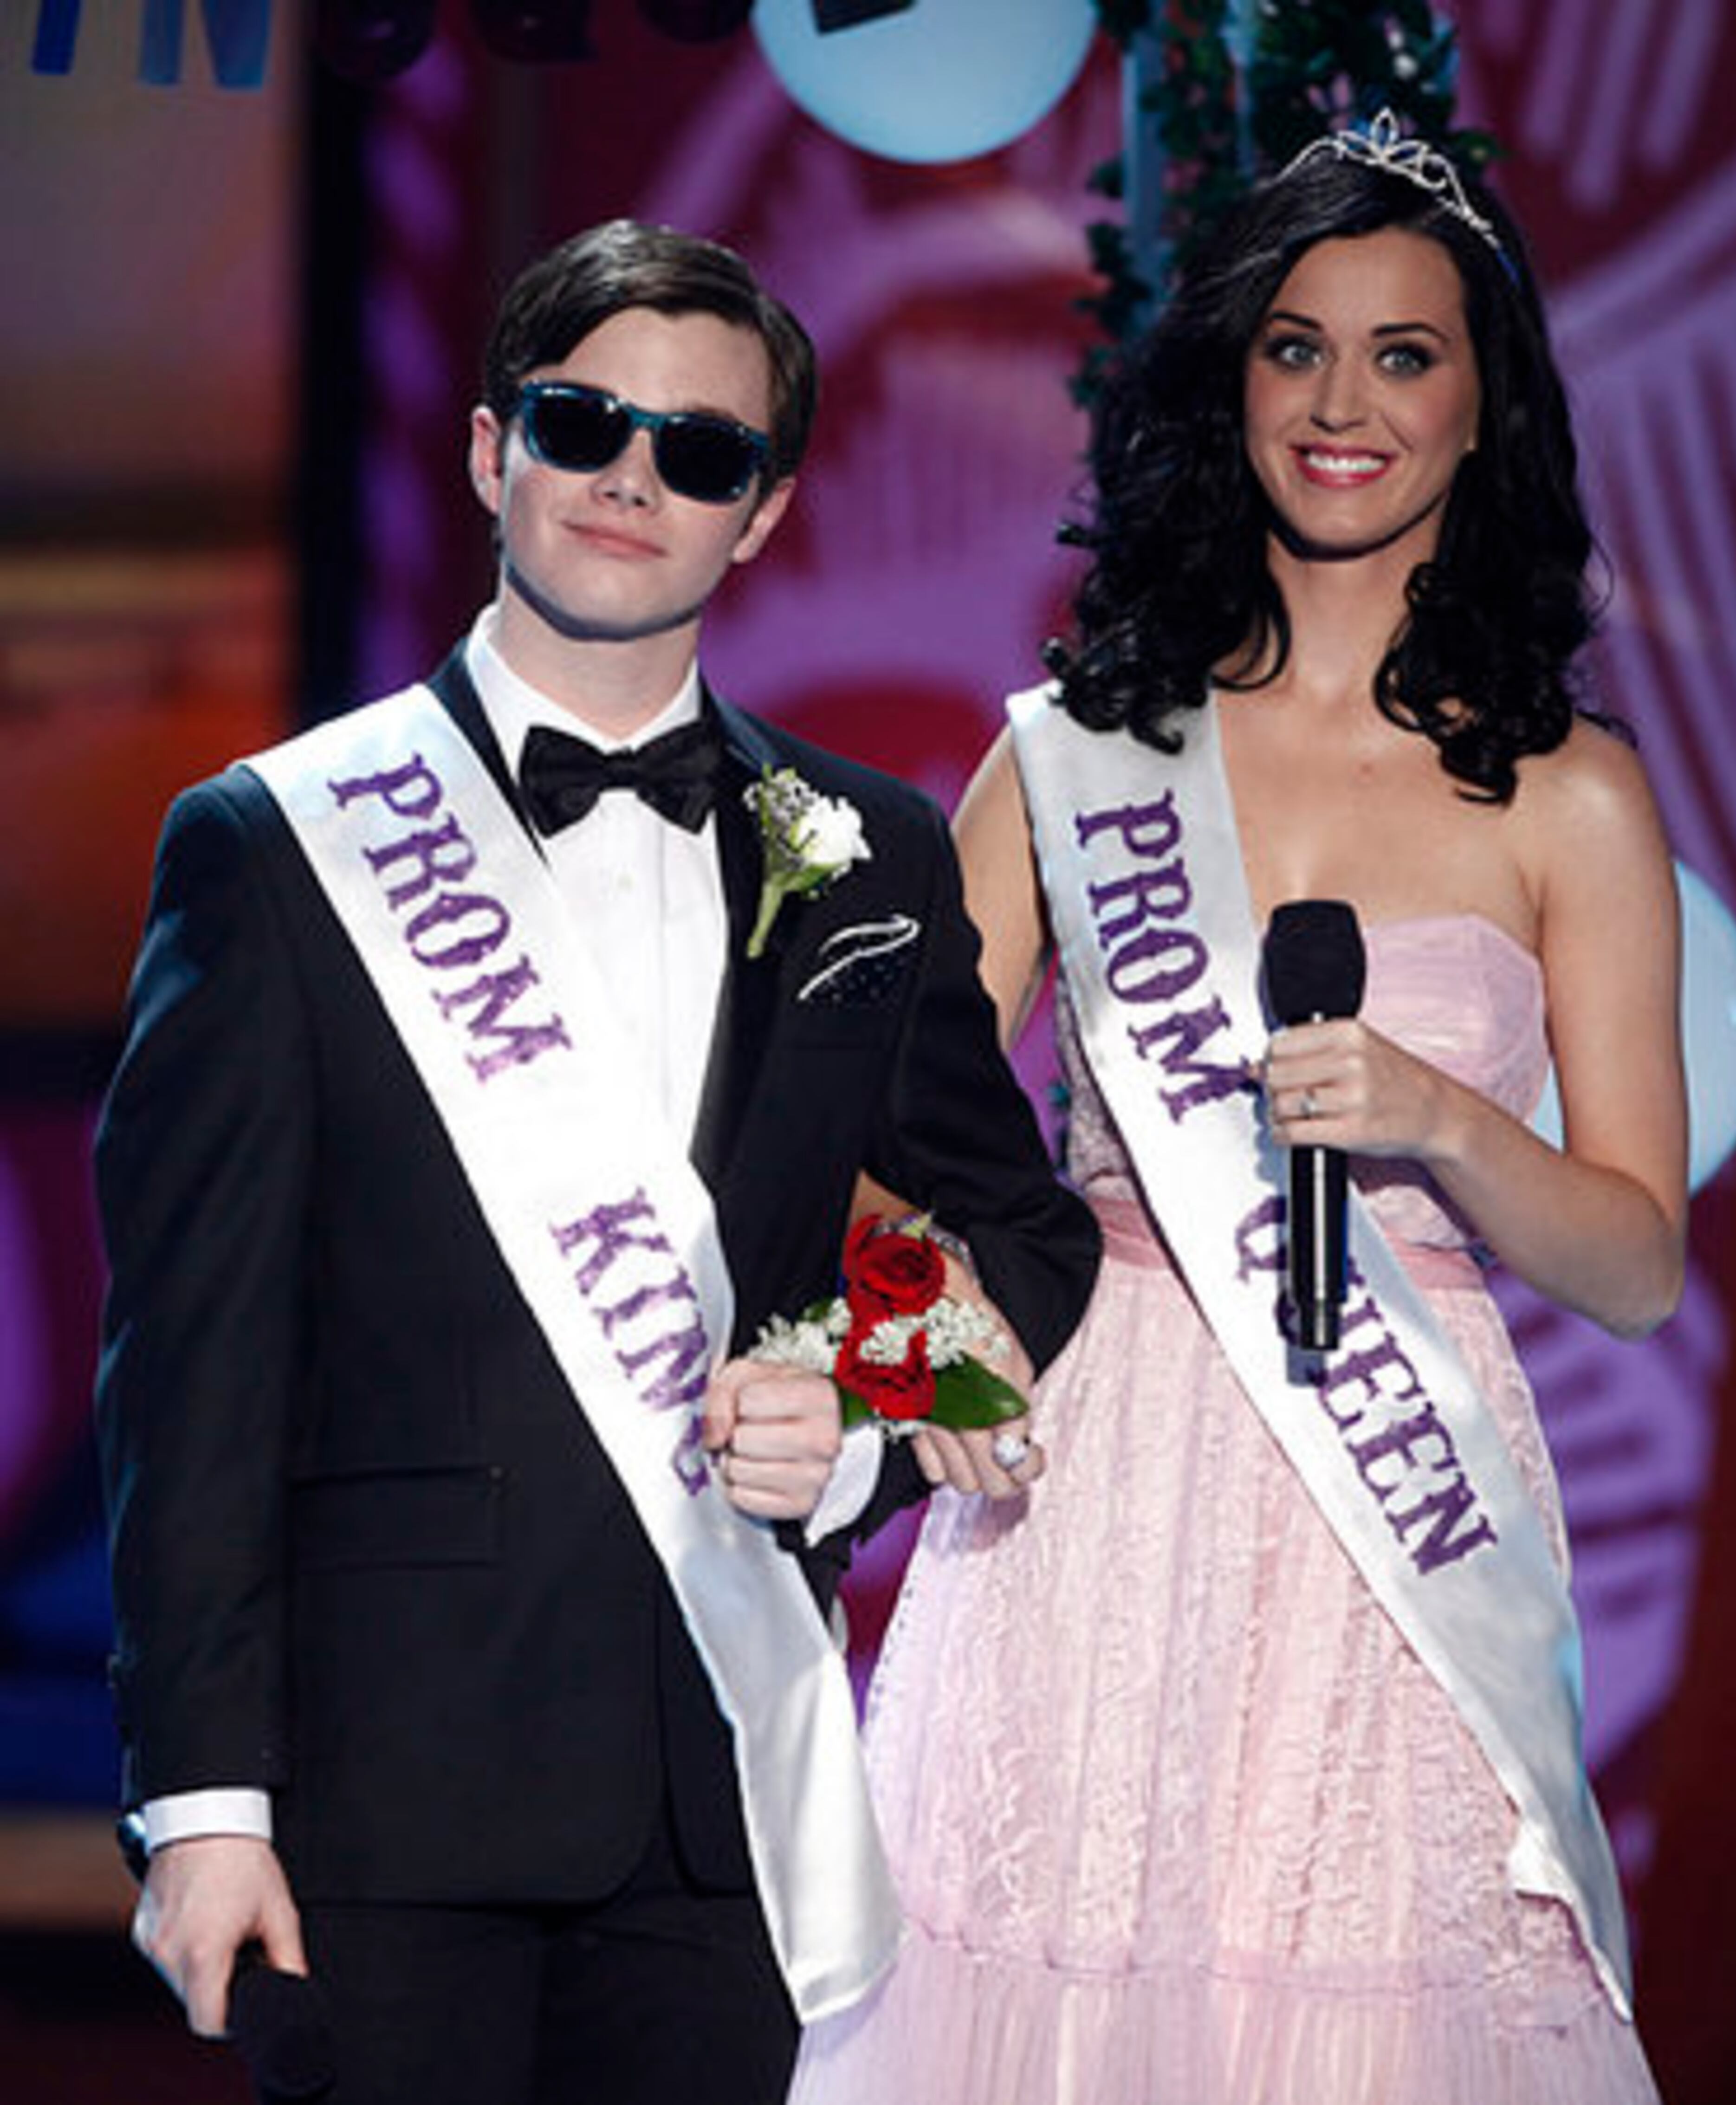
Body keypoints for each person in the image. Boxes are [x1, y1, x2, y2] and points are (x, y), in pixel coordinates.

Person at [93, 219, 1099, 2105]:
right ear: (491, 455)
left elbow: (1012, 1228)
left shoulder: (869, 848)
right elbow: (191, 1366)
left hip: (724, 1793)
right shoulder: (279, 844)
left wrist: (863, 1405)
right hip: (380, 1802)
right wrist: (203, 1796)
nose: (635, 477)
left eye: (700, 451)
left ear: (766, 512)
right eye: (583, 424)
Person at [791, 114, 1684, 2104]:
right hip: (1085, 1486)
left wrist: (1445, 1118)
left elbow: (1634, 1263)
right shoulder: (1073, 755)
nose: (1343, 403)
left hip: (1400, 1491)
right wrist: (923, 1379)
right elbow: (879, 1132)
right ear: (1231, 385)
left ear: (1485, 408)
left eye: (1403, 353)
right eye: (1296, 347)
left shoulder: (1573, 795)